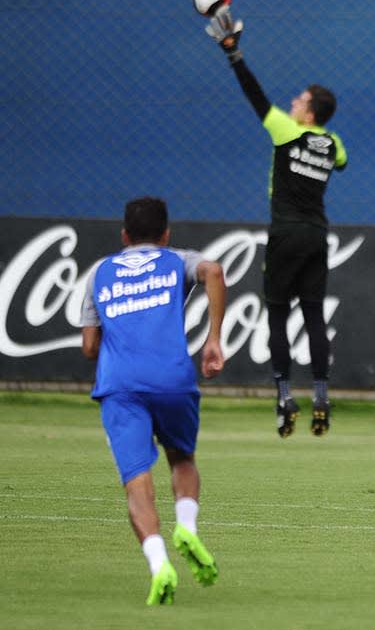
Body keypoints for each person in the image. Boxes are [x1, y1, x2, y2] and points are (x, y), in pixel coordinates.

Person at [204, 4, 348, 438]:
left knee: (277, 318)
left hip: (285, 234)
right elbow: (340, 161)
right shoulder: (331, 142)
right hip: (318, 235)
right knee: (314, 318)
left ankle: (285, 396)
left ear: (307, 112)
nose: (292, 102)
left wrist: (234, 54)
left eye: (299, 100)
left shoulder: (287, 131)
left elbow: (255, 95)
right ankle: (321, 395)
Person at [80, 196, 226, 604]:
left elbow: (90, 346)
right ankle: (187, 527)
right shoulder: (175, 260)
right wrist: (213, 339)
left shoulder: (99, 273)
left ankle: (159, 562)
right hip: (172, 378)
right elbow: (213, 271)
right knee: (182, 458)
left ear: (124, 235)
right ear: (166, 234)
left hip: (120, 386)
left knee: (137, 483)